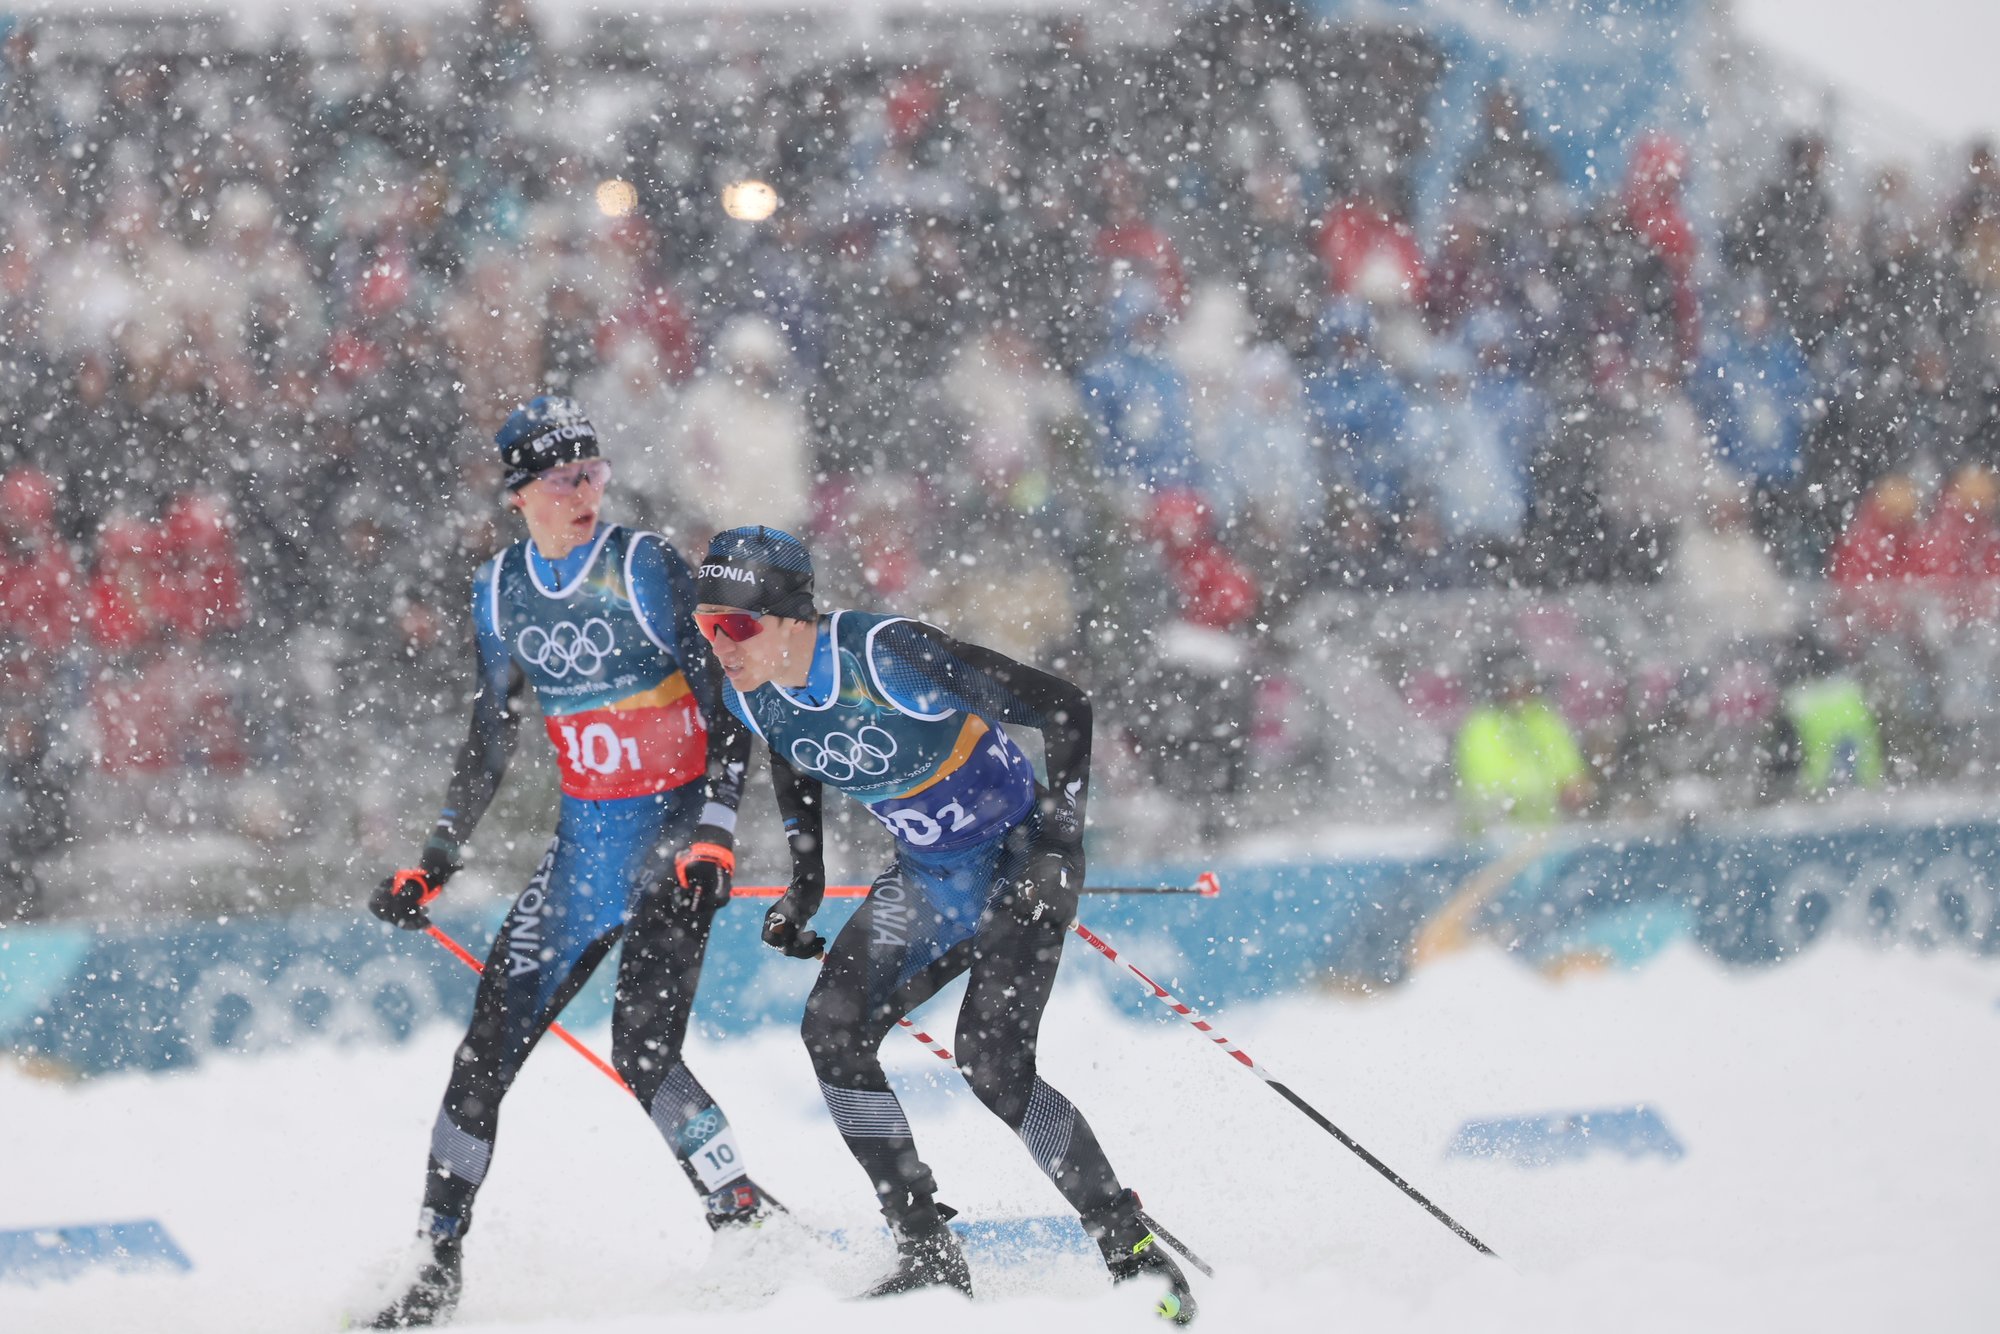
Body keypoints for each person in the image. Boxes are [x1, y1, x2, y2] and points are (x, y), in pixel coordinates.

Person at [691, 525, 1198, 1323]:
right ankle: (927, 1251)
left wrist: (1061, 847)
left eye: (737, 624)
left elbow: (1065, 709)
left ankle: (1128, 1247)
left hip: (1017, 857)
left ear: (792, 616)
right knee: (833, 1030)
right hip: (930, 875)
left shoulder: (889, 656)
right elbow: (791, 754)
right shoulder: (748, 693)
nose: (719, 642)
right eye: (704, 623)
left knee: (992, 1061)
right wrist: (807, 884)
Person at [363, 397, 776, 1328]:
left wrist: (713, 828)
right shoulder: (498, 588)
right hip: (584, 855)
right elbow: (489, 732)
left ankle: (740, 1213)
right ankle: (435, 1265)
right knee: (481, 1062)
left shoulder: (645, 566)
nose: (586, 491)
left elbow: (727, 703)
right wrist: (436, 856)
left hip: (672, 842)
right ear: (521, 492)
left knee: (643, 1049)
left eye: (595, 472)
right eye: (564, 478)